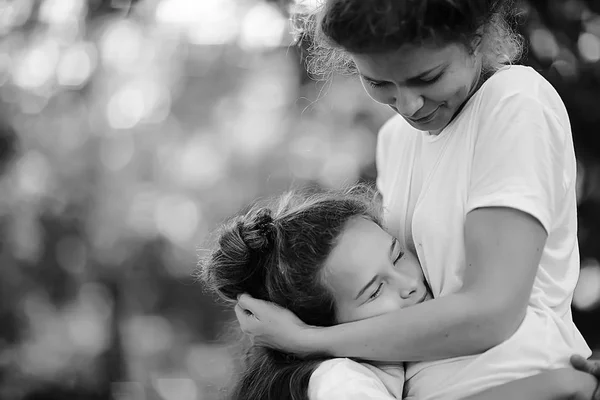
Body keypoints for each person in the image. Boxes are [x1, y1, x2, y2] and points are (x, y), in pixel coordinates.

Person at [233, 0, 599, 399]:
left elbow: (491, 314)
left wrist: (306, 340)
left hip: (526, 380)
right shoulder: (395, 140)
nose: (408, 106)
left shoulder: (513, 102)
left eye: (428, 77)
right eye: (379, 83)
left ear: (477, 37)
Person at [198, 186, 598, 400]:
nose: (408, 284)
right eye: (374, 292)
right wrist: (560, 385)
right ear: (322, 322)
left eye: (398, 255)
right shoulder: (338, 380)